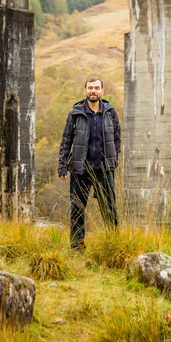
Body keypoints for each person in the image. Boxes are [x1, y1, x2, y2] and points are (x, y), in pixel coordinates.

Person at [58, 76, 121, 250]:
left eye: (96, 88)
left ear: (102, 91)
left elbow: (117, 138)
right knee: (77, 209)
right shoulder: (75, 113)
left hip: (104, 169)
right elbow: (66, 140)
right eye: (90, 88)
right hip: (80, 170)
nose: (93, 91)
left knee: (109, 209)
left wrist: (114, 161)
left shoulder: (110, 112)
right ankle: (77, 247)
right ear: (85, 90)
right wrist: (62, 165)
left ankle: (113, 244)